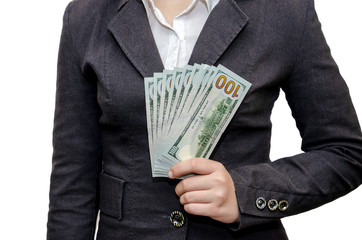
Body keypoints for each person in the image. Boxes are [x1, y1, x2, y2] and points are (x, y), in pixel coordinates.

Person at [47, 0, 362, 239]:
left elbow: (345, 151)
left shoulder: (284, 12)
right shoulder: (85, 17)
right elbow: (73, 181)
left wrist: (245, 193)